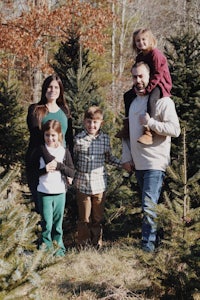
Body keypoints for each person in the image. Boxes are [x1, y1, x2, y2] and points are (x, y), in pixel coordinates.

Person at [121, 61, 180, 252]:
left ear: (150, 76)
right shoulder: (133, 102)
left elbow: (175, 130)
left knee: (148, 206)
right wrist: (126, 156)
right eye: (134, 76)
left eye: (141, 76)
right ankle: (159, 242)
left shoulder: (163, 101)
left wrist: (151, 123)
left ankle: (147, 249)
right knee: (151, 205)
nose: (138, 80)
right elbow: (127, 133)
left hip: (156, 162)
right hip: (138, 163)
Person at [73, 106, 121, 249]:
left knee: (97, 218)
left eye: (95, 122)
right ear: (84, 122)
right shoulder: (78, 139)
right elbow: (73, 160)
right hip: (83, 184)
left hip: (100, 184)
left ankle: (96, 243)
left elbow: (109, 158)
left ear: (101, 123)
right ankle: (83, 244)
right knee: (84, 218)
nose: (92, 125)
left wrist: (123, 164)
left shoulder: (105, 139)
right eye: (89, 122)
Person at [25, 74, 73, 214]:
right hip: (40, 165)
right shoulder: (35, 110)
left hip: (61, 166)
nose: (53, 90)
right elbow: (37, 139)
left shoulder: (65, 111)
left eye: (56, 87)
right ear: (45, 89)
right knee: (43, 209)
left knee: (58, 210)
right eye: (50, 87)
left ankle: (56, 236)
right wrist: (51, 162)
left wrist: (69, 169)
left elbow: (68, 140)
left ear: (60, 90)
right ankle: (43, 236)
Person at [116, 28, 172, 145]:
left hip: (160, 84)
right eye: (137, 41)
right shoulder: (140, 57)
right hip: (147, 83)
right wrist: (137, 87)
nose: (141, 42)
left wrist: (148, 89)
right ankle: (127, 126)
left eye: (143, 39)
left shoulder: (155, 54)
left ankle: (148, 132)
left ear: (150, 40)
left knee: (151, 99)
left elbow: (157, 74)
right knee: (127, 95)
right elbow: (138, 74)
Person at [32, 120, 75, 256]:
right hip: (44, 191)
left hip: (60, 192)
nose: (50, 139)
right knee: (47, 224)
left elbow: (71, 171)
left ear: (59, 135)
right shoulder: (40, 151)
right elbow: (32, 172)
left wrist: (59, 166)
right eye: (47, 135)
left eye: (53, 135)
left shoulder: (63, 151)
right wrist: (44, 170)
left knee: (57, 224)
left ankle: (59, 250)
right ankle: (45, 250)